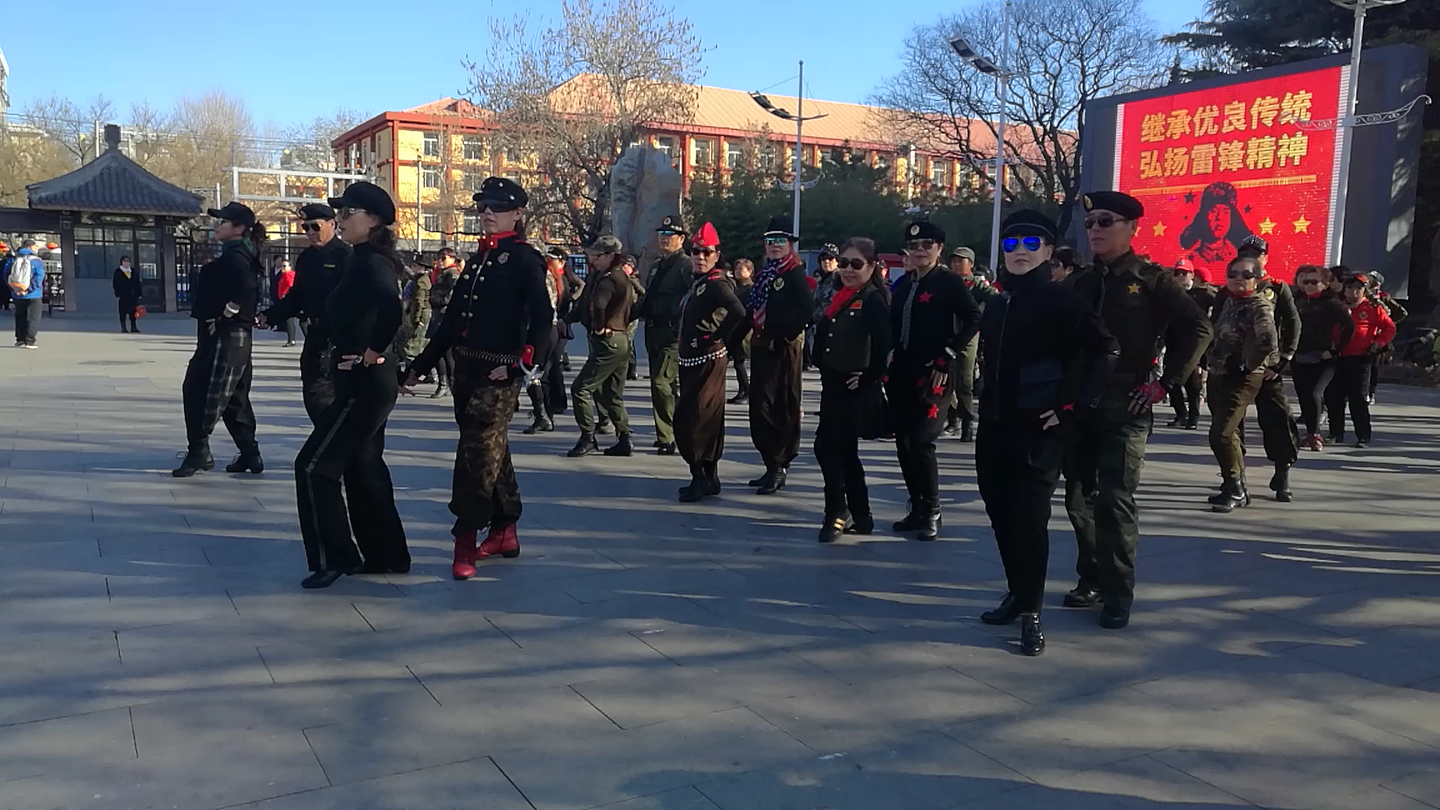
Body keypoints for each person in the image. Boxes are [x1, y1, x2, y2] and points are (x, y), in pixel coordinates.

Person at [1062, 191, 1212, 629]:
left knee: (1115, 499)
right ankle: (1089, 577)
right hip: (1080, 403)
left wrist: (1166, 383)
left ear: (1132, 228)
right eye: (1091, 224)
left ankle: (1117, 591)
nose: (1096, 230)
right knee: (1078, 498)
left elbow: (1198, 328)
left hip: (1126, 403)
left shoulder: (1152, 280)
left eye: (1106, 222)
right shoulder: (1081, 282)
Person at [976, 210, 1118, 657]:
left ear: (1048, 252)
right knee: (1000, 514)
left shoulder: (1063, 301)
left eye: (1030, 245)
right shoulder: (998, 302)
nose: (1020, 253)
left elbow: (1104, 350)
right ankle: (1017, 592)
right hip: (996, 425)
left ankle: (1032, 612)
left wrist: (1071, 406)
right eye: (1011, 245)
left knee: (1029, 520)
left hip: (1039, 431)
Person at [405, 177, 553, 581]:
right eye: (483, 207)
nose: (487, 214)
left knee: (473, 456)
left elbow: (543, 319)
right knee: (491, 451)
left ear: (517, 214)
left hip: (498, 374)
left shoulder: (525, 259)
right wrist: (421, 364)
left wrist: (525, 364)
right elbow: (453, 322)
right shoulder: (477, 259)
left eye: (497, 208)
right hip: (466, 371)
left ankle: (466, 535)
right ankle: (505, 529)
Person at [292, 181, 410, 589]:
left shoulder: (373, 261)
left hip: (365, 383)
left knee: (313, 466)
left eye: (348, 213)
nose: (340, 220)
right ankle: (387, 554)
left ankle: (334, 556)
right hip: (358, 378)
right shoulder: (358, 258)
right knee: (363, 466)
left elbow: (393, 311)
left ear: (373, 220)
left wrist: (372, 352)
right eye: (339, 214)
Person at [887, 220, 981, 539]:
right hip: (902, 371)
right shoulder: (903, 284)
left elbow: (974, 317)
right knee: (903, 441)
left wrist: (950, 352)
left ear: (939, 249)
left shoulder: (949, 282)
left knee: (923, 441)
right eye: (914, 246)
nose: (920, 251)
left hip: (934, 372)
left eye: (927, 245)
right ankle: (916, 506)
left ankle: (934, 510)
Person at [174, 203, 265, 477]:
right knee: (234, 397)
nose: (217, 225)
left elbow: (247, 289)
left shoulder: (237, 257)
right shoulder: (239, 254)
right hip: (232, 337)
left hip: (226, 336)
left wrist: (227, 313)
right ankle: (250, 453)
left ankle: (199, 451)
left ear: (238, 228)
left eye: (223, 221)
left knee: (199, 390)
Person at [813, 238, 892, 540]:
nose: (848, 269)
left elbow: (885, 342)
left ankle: (837, 510)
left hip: (851, 385)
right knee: (845, 451)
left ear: (871, 267)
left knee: (827, 447)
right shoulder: (844, 295)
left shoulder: (872, 299)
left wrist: (871, 376)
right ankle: (862, 514)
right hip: (833, 382)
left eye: (856, 264)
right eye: (844, 263)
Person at [259, 203, 352, 422]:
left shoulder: (346, 256)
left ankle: (330, 450)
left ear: (332, 224)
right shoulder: (307, 258)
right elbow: (296, 296)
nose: (310, 232)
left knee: (326, 397)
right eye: (305, 227)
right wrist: (269, 316)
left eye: (315, 227)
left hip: (338, 336)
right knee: (312, 393)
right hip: (315, 333)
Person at [675, 223, 747, 502]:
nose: (700, 257)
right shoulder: (700, 283)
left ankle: (700, 476)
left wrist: (718, 336)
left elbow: (739, 311)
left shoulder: (717, 283)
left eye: (707, 252)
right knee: (703, 418)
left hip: (707, 359)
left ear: (717, 254)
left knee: (695, 418)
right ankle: (708, 477)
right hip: (692, 359)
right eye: (696, 251)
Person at [745, 215, 815, 495]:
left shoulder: (793, 273)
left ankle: (780, 464)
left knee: (780, 405)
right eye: (770, 241)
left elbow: (806, 312)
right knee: (759, 406)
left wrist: (785, 336)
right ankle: (769, 463)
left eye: (780, 241)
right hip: (762, 346)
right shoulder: (766, 273)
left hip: (783, 349)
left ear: (790, 244)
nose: (775, 246)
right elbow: (751, 309)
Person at [1205, 256, 1279, 513]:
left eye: (1246, 275)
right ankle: (1234, 486)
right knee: (1230, 434)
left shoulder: (1259, 305)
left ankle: (1235, 488)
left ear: (1256, 280)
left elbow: (1268, 340)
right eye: (1232, 273)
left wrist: (1247, 365)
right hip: (1218, 372)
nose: (1238, 278)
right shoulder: (1228, 301)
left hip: (1242, 377)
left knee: (1221, 434)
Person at [1232, 235, 1300, 502]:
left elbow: (1293, 323)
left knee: (1279, 420)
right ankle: (1236, 478)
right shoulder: (1230, 286)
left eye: (1257, 253)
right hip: (1234, 368)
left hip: (1268, 368)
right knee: (1231, 426)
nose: (1251, 255)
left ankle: (1282, 473)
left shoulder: (1276, 287)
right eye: (1245, 251)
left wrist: (1285, 358)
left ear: (1266, 258)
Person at [566, 236, 637, 458]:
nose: (592, 259)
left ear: (609, 256)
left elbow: (598, 305)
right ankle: (624, 438)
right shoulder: (602, 275)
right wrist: (566, 320)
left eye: (597, 256)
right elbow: (584, 304)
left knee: (581, 388)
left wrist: (600, 326)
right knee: (611, 393)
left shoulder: (610, 279)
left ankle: (588, 437)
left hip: (609, 342)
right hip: (619, 341)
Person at [638, 215, 690, 455]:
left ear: (681, 238)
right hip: (654, 331)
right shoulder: (658, 265)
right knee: (664, 385)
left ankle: (668, 435)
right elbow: (648, 298)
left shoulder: (686, 266)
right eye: (662, 234)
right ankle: (674, 430)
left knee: (662, 383)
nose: (664, 239)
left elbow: (692, 298)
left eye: (670, 235)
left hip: (672, 333)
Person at [1327, 274, 1395, 448]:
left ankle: (1363, 435)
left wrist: (1378, 343)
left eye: (1358, 288)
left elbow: (1389, 328)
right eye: (1350, 288)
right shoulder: (1338, 307)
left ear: (1365, 291)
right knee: (1335, 397)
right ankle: (1336, 433)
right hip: (1337, 357)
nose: (1354, 291)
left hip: (1361, 359)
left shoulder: (1372, 308)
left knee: (1358, 398)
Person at [1291, 265, 1354, 452]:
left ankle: (1316, 434)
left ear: (1325, 284)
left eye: (1314, 282)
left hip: (1323, 358)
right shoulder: (1298, 301)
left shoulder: (1332, 304)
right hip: (1299, 355)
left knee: (1314, 393)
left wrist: (1335, 350)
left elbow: (1349, 327)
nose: (1309, 285)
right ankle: (1311, 433)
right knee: (1303, 396)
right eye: (1306, 281)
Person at [523, 246, 577, 434]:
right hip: (549, 329)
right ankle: (545, 413)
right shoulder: (553, 277)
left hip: (541, 329)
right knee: (542, 373)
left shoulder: (543, 277)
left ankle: (543, 415)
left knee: (532, 373)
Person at [945, 246, 997, 442]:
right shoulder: (946, 282)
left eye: (961, 260)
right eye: (954, 260)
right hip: (946, 335)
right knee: (944, 380)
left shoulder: (976, 285)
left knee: (964, 382)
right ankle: (952, 418)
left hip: (968, 337)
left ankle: (967, 422)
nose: (957, 264)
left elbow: (996, 298)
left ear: (971, 264)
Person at [1165, 259, 1215, 429]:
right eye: (1177, 273)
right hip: (1173, 342)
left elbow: (1210, 323)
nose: (1180, 276)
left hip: (1194, 345)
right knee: (1171, 381)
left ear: (1192, 275)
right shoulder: (1171, 293)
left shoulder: (1204, 294)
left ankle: (1193, 417)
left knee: (1192, 383)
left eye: (1183, 273)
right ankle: (1181, 414)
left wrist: (1205, 356)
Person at [1179, 181, 1255, 269]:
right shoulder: (1189, 259)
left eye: (1226, 212)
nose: (1219, 217)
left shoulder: (1237, 259)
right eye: (1214, 211)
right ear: (1203, 216)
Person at [1365, 271, 1407, 404]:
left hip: (1378, 337)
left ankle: (1371, 392)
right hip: (1362, 335)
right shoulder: (1358, 296)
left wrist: (1388, 323)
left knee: (1374, 367)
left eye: (1370, 281)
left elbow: (1402, 313)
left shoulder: (1383, 298)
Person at [426, 248, 462, 399]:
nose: (440, 260)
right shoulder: (442, 273)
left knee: (444, 352)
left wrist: (440, 301)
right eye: (438, 257)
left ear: (452, 259)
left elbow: (455, 294)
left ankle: (447, 384)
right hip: (438, 313)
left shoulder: (452, 274)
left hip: (444, 313)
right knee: (441, 351)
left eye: (443, 258)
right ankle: (445, 382)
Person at [807, 244, 841, 370]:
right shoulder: (821, 282)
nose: (826, 261)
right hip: (821, 329)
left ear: (837, 261)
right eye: (823, 258)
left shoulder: (841, 279)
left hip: (835, 331)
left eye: (830, 258)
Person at [727, 258, 755, 404]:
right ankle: (742, 390)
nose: (738, 272)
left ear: (749, 272)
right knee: (737, 363)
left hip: (744, 329)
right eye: (736, 269)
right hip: (733, 328)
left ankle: (747, 391)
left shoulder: (750, 288)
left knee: (739, 362)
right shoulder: (734, 287)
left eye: (741, 269)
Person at [9, 240, 44, 349]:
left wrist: (14, 289)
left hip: (17, 293)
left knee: (20, 316)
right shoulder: (37, 260)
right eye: (35, 246)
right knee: (33, 317)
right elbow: (38, 277)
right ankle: (30, 341)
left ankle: (20, 340)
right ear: (31, 247)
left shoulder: (13, 259)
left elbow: (6, 275)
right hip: (34, 294)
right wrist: (28, 290)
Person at [113, 255, 143, 334]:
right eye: (125, 261)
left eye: (128, 261)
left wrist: (139, 293)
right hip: (123, 296)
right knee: (123, 312)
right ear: (121, 262)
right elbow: (115, 284)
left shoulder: (133, 271)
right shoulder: (118, 272)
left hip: (133, 296)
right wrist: (118, 294)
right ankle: (124, 327)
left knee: (133, 312)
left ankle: (134, 327)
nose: (127, 263)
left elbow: (137, 283)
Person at [271, 260, 297, 345]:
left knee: (289, 320)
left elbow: (290, 285)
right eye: (282, 266)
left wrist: (284, 294)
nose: (282, 268)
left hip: (287, 300)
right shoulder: (283, 275)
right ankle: (291, 339)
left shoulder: (288, 275)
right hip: (284, 299)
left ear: (290, 267)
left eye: (284, 266)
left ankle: (291, 340)